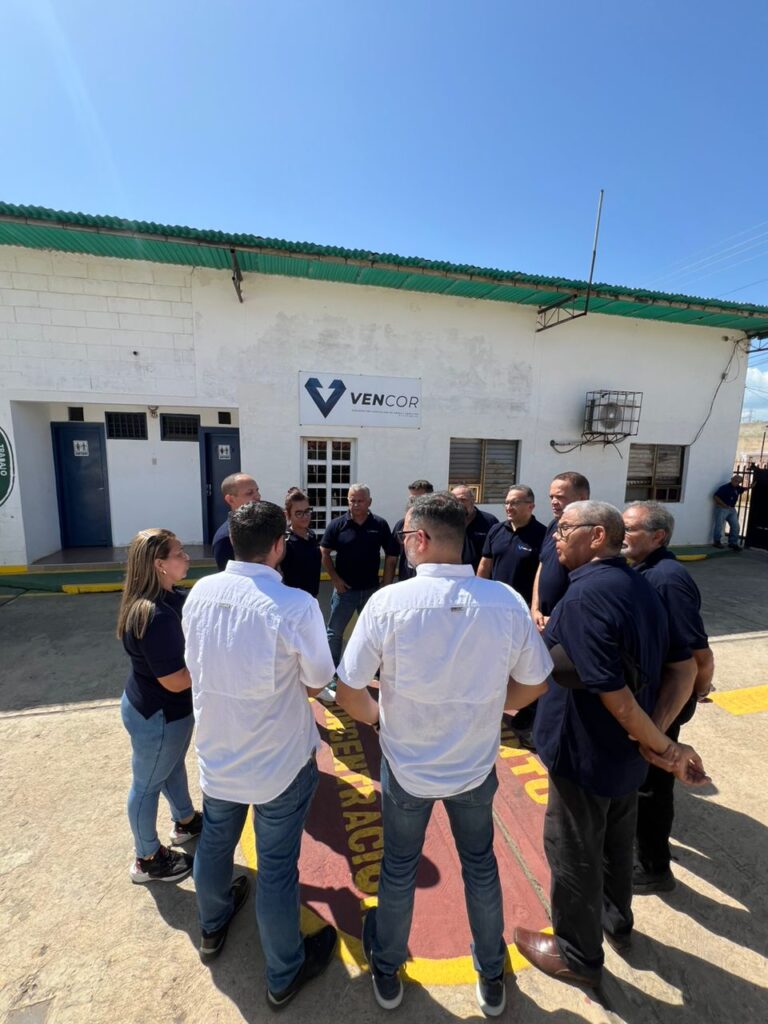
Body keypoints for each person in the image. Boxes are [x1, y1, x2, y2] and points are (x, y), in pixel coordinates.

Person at [335, 493, 553, 1015]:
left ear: (422, 539)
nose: (403, 544)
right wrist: (492, 710)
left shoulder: (389, 603)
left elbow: (348, 691)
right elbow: (536, 682)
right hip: (475, 766)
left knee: (398, 869)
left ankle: (387, 970)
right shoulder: (503, 600)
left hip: (406, 767)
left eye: (407, 536)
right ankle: (490, 973)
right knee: (480, 866)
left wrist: (380, 719)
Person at [514, 501, 710, 989]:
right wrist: (651, 736)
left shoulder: (585, 599)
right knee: (616, 841)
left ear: (597, 536)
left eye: (564, 530)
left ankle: (577, 955)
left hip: (583, 751)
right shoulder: (640, 585)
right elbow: (681, 669)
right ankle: (616, 920)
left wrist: (661, 743)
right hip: (624, 756)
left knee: (573, 847)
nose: (556, 539)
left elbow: (616, 698)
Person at [182, 501, 338, 1008]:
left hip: (217, 753)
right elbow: (318, 680)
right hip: (278, 764)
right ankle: (283, 972)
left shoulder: (199, 592)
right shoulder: (295, 606)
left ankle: (211, 924)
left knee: (215, 845)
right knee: (275, 870)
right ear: (278, 546)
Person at [623, 501, 715, 893]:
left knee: (654, 783)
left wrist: (699, 688)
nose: (620, 535)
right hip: (649, 695)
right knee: (644, 779)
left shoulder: (667, 579)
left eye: (629, 529)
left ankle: (653, 867)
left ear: (658, 536)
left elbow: (698, 653)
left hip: (664, 699)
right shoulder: (645, 571)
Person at [117, 529, 200, 883]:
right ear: (159, 564)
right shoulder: (155, 616)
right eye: (179, 553)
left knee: (168, 767)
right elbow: (176, 679)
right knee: (147, 784)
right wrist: (216, 664)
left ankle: (185, 820)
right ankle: (147, 857)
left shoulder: (168, 599)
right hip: (159, 715)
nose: (187, 558)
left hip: (160, 710)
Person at [519, 472, 590, 749]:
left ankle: (548, 738)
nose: (554, 502)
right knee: (536, 675)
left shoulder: (587, 533)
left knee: (557, 685)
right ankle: (534, 724)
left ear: (582, 498)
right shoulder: (554, 526)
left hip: (563, 625)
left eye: (560, 496)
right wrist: (534, 606)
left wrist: (556, 617)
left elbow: (585, 584)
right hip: (541, 620)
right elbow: (543, 566)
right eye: (551, 496)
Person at [317, 484, 396, 703]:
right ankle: (332, 675)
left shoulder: (379, 525)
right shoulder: (337, 525)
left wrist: (385, 586)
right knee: (334, 633)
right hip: (345, 591)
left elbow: (390, 556)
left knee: (377, 634)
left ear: (369, 502)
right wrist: (335, 579)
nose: (355, 504)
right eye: (352, 500)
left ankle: (379, 671)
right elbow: (324, 552)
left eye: (360, 500)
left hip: (371, 591)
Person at [477, 485, 546, 605]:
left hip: (524, 607)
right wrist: (479, 594)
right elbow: (485, 566)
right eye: (506, 503)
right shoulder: (496, 530)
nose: (508, 508)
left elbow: (543, 576)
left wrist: (535, 607)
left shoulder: (543, 535)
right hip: (494, 603)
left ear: (531, 506)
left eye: (514, 503)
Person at [211, 473, 261, 569]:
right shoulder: (225, 538)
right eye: (249, 493)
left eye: (257, 491)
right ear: (230, 499)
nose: (258, 496)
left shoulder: (261, 525)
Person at [389, 479, 434, 583]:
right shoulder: (401, 525)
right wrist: (387, 585)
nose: (414, 504)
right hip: (406, 582)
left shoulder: (440, 526)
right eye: (412, 500)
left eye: (419, 500)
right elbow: (392, 558)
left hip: (431, 584)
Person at [281, 487, 321, 597]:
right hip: (293, 602)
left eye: (307, 511)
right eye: (299, 513)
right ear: (287, 515)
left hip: (312, 597)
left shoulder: (311, 535)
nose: (305, 516)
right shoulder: (285, 542)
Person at [450, 484, 499, 571]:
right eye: (455, 500)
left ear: (473, 500)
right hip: (453, 576)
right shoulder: (446, 522)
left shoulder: (490, 522)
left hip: (480, 578)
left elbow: (496, 553)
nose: (459, 504)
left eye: (463, 500)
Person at [712, 473, 751, 549]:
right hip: (722, 509)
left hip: (732, 509)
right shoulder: (724, 488)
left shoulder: (738, 488)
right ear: (732, 480)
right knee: (719, 525)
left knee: (736, 526)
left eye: (739, 481)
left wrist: (750, 487)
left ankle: (733, 543)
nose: (737, 482)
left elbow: (744, 489)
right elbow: (715, 496)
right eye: (735, 480)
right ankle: (717, 542)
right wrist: (724, 505)